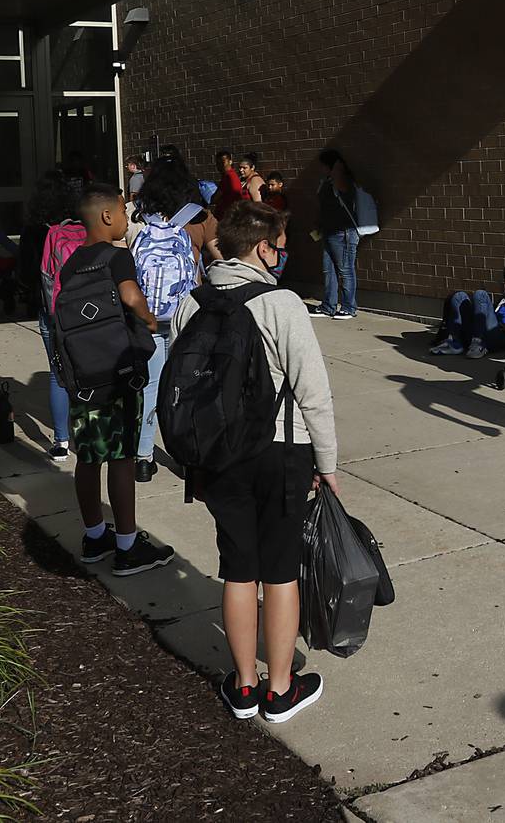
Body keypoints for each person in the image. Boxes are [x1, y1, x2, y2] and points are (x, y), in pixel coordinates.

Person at [172, 201, 335, 723]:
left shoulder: (190, 303)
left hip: (219, 455)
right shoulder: (281, 303)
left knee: (238, 568)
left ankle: (244, 688)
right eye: (280, 246)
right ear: (263, 248)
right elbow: (313, 392)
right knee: (280, 570)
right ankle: (281, 691)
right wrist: (327, 462)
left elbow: (184, 389)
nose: (282, 254)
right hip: (280, 450)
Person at [57, 184, 174, 576]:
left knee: (89, 457)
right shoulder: (116, 257)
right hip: (119, 375)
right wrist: (149, 319)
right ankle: (127, 545)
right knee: (122, 458)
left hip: (85, 374)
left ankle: (94, 536)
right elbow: (129, 297)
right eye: (124, 211)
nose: (128, 219)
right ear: (107, 216)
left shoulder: (72, 263)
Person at [130, 158, 220, 482]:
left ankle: (143, 458)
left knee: (151, 388)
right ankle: (184, 457)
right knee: (184, 387)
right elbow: (198, 274)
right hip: (184, 318)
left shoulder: (136, 222)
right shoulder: (191, 221)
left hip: (149, 318)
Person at [19, 173, 77, 460]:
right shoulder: (79, 225)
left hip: (50, 310)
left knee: (57, 373)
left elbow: (26, 274)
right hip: (82, 309)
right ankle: (86, 432)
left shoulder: (33, 232)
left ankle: (61, 442)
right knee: (84, 368)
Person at [431, 262, 505, 358]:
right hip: (483, 330)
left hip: (498, 337)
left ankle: (478, 343)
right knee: (459, 296)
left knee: (480, 294)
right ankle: (454, 343)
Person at [312, 148, 360, 320]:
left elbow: (341, 185)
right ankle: (329, 305)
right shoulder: (326, 181)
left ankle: (349, 306)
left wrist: (337, 165)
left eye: (324, 166)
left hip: (343, 232)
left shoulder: (341, 178)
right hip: (329, 231)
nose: (321, 169)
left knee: (345, 270)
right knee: (329, 270)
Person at [211, 149, 246, 220]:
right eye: (218, 163)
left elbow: (214, 199)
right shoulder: (229, 176)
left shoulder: (229, 177)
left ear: (230, 162)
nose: (219, 166)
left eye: (223, 162)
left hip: (228, 217)